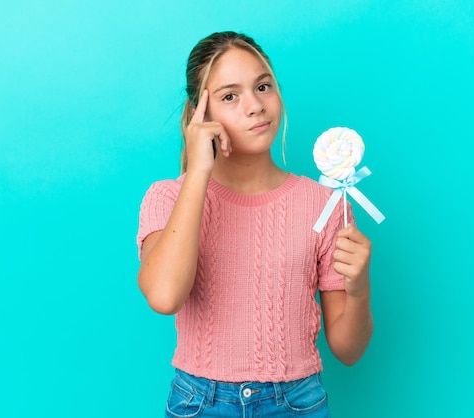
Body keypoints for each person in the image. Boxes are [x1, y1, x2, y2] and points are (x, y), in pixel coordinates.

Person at [137, 31, 373, 418]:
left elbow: (348, 350)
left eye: (263, 86)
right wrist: (198, 171)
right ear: (200, 115)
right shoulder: (167, 198)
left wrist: (360, 289)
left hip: (298, 403)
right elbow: (164, 297)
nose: (255, 106)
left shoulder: (324, 203)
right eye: (230, 96)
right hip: (200, 403)